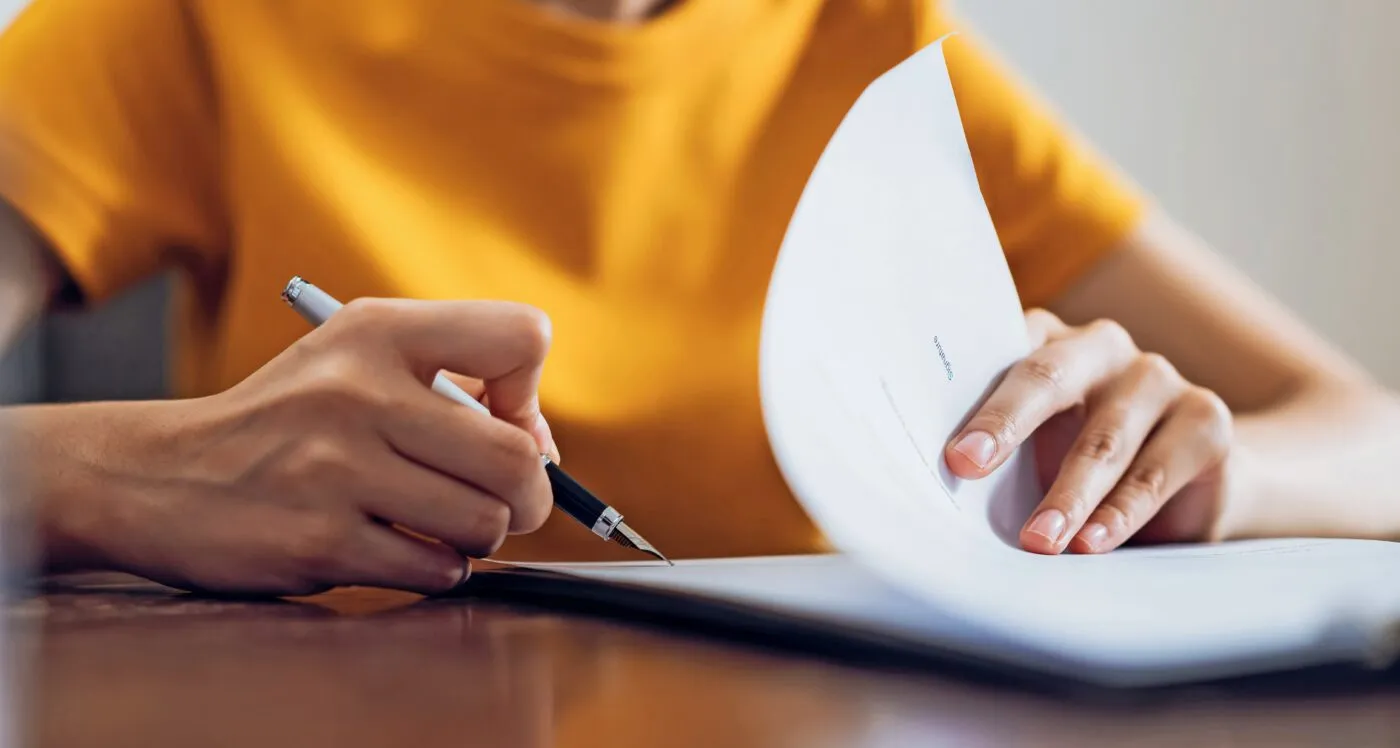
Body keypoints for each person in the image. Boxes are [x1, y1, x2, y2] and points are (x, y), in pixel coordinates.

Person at [0, 0, 1395, 597]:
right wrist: (125, 478)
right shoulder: (197, 18)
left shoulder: (863, 43)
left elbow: (1372, 435)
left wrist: (1206, 476)